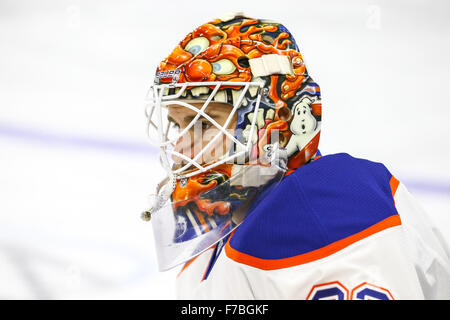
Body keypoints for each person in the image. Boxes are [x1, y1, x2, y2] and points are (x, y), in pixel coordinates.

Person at [142, 12, 450, 299]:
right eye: (177, 124)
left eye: (205, 123)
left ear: (280, 116)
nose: (180, 150)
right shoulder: (219, 221)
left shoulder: (321, 214)